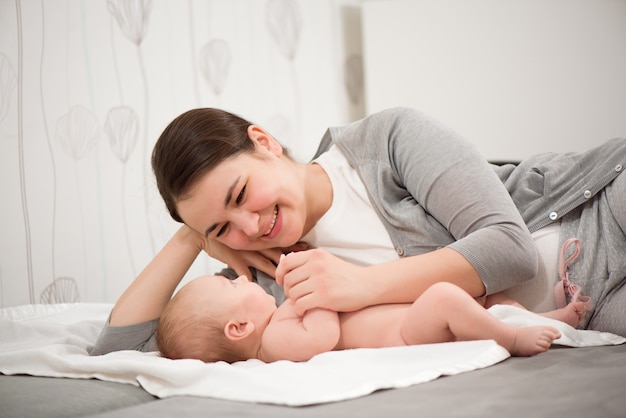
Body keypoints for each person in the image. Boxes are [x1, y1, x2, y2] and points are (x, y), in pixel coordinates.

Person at [90, 107, 626, 356]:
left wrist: (360, 286)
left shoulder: (387, 141)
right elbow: (122, 348)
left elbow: (510, 251)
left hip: (596, 210)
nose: (249, 227)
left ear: (264, 142)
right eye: (222, 227)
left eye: (238, 196)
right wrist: (192, 235)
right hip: (594, 305)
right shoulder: (266, 281)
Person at [156, 272, 585, 363]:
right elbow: (322, 337)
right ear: (238, 328)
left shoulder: (275, 322)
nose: (243, 280)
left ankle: (550, 317)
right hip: (405, 335)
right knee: (444, 295)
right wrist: (308, 294)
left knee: (484, 296)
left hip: (407, 319)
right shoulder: (272, 343)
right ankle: (511, 340)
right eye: (233, 287)